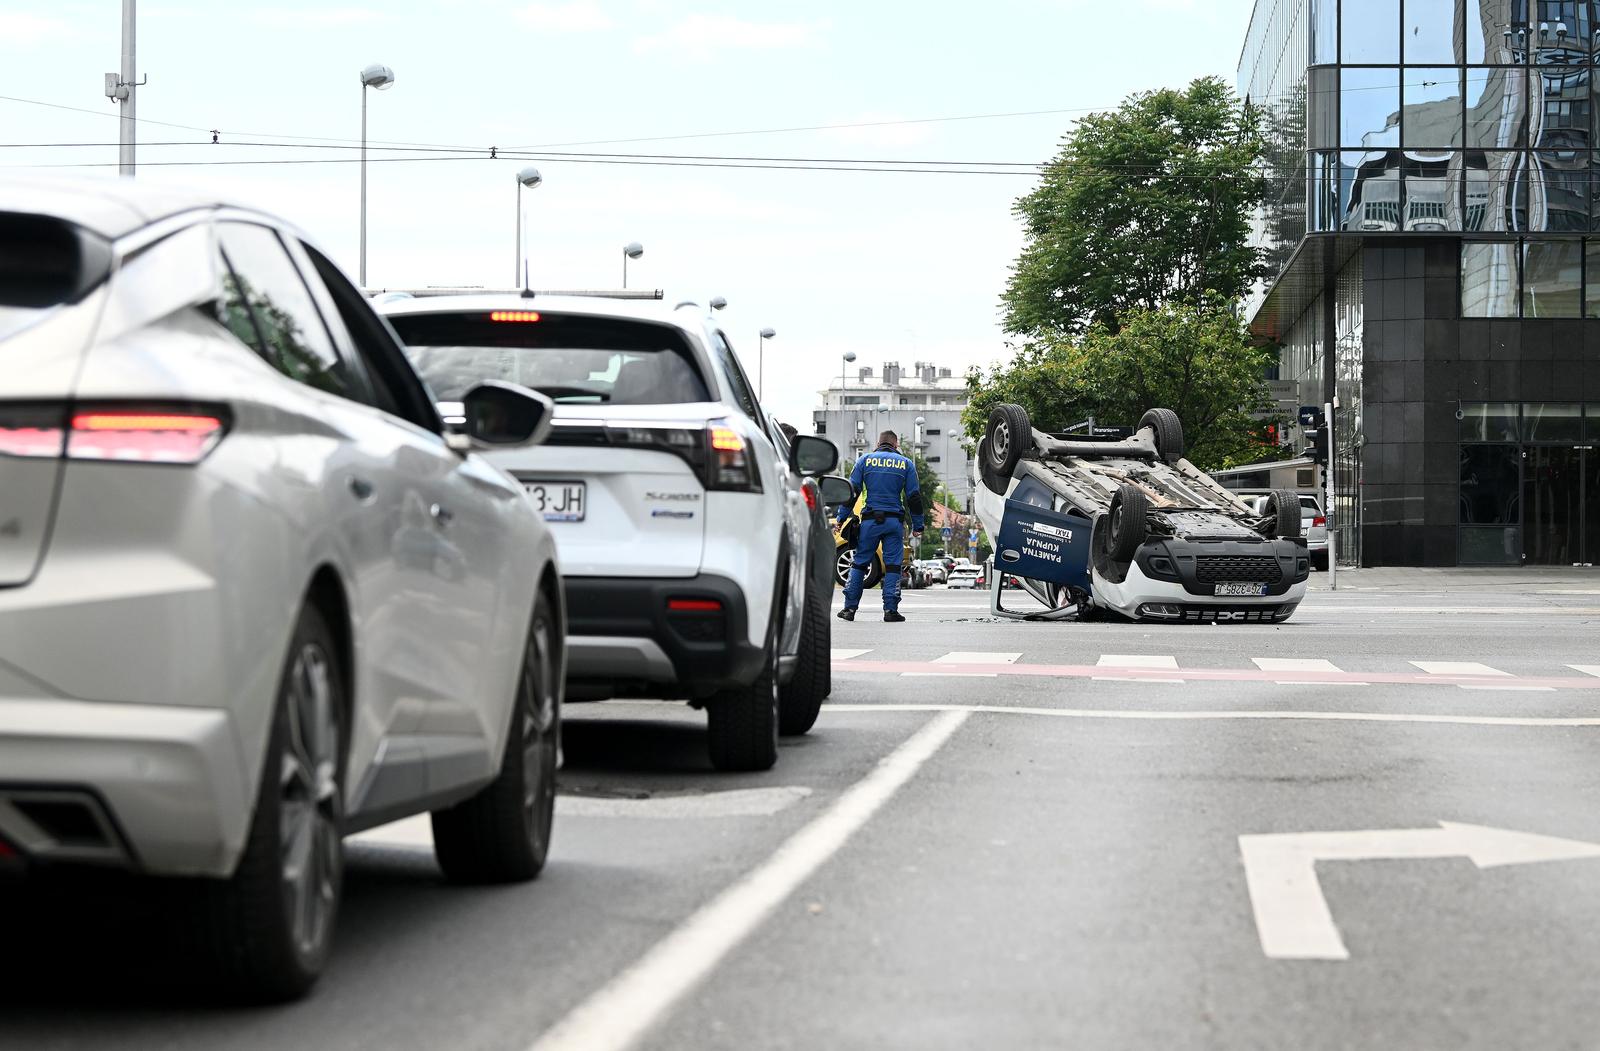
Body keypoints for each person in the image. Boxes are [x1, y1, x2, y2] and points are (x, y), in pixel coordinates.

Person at [836, 430, 923, 623]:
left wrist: (841, 518)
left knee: (859, 563)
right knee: (893, 566)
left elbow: (852, 492)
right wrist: (919, 525)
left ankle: (849, 609)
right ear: (896, 444)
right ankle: (890, 611)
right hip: (894, 523)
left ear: (878, 443)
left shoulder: (865, 461)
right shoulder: (906, 464)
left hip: (869, 522)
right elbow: (914, 497)